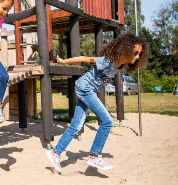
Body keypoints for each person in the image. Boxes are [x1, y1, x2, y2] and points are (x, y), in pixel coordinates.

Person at [46, 33, 149, 172]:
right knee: (107, 121)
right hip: (84, 89)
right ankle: (94, 156)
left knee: (76, 126)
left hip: (89, 90)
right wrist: (63, 62)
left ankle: (55, 153)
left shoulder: (121, 64)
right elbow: (84, 58)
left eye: (139, 54)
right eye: (135, 53)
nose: (137, 57)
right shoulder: (107, 60)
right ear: (126, 49)